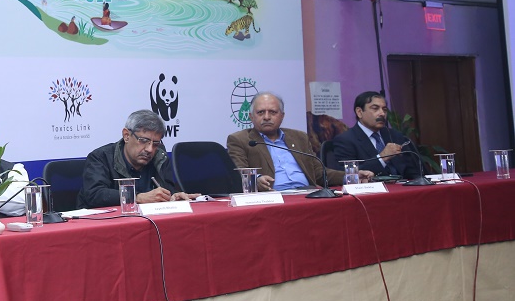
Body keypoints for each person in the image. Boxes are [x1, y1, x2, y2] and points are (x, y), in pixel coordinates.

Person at [227, 92, 372, 191]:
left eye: (272, 112)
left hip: (307, 194)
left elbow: (318, 172)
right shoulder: (240, 140)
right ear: (251, 117)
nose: (266, 117)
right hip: (274, 197)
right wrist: (256, 180)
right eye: (260, 112)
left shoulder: (299, 137)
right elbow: (239, 173)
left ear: (282, 116)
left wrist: (350, 176)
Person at [77, 110, 196, 209]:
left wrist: (173, 197)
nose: (150, 149)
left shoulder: (160, 158)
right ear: (126, 136)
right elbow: (94, 195)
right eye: (143, 141)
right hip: (104, 225)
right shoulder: (100, 157)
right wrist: (137, 197)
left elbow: (166, 191)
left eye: (155, 143)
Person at [329, 91, 421, 179]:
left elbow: (412, 171)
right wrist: (381, 158)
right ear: (359, 112)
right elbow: (347, 174)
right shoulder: (345, 140)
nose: (382, 113)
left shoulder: (395, 135)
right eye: (375, 108)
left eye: (384, 109)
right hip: (369, 192)